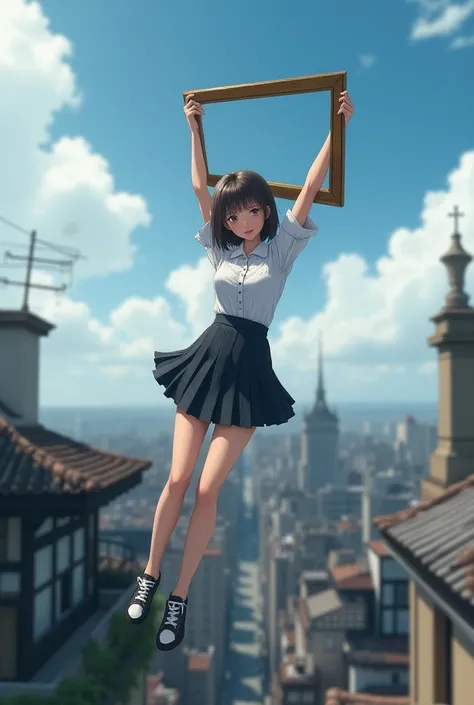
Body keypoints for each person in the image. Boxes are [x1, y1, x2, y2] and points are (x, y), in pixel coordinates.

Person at [126, 89, 355, 651]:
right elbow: (200, 187)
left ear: (264, 213)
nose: (244, 217)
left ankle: (177, 599)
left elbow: (307, 192)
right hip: (208, 357)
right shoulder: (219, 252)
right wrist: (194, 129)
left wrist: (337, 128)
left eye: (253, 209)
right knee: (178, 479)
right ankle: (149, 575)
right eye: (236, 211)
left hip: (250, 369)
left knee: (208, 491)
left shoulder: (280, 252)